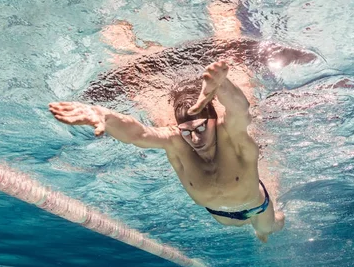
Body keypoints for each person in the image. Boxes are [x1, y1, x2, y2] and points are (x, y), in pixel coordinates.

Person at [49, 60, 285, 242]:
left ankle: (276, 214)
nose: (194, 137)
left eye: (202, 127)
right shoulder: (176, 141)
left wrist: (222, 85)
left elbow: (240, 109)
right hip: (221, 215)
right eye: (186, 131)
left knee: (267, 230)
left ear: (214, 119)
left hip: (257, 207)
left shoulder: (230, 135)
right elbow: (138, 133)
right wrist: (106, 117)